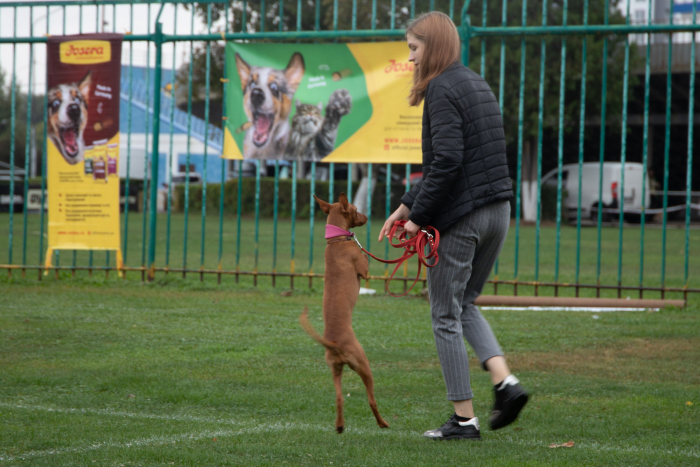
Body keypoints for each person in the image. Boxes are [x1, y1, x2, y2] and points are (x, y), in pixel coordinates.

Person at [378, 11, 528, 441]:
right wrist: (408, 206)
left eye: (413, 48)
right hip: (498, 210)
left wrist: (419, 218)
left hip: (465, 217)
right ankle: (506, 384)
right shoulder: (474, 82)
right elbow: (457, 162)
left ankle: (464, 421)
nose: (410, 58)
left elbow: (447, 162)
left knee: (444, 312)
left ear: (434, 47)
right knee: (465, 303)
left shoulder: (441, 88)